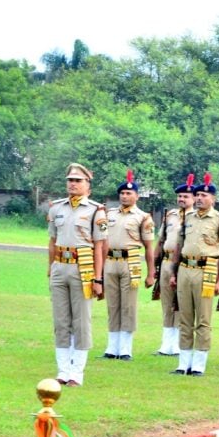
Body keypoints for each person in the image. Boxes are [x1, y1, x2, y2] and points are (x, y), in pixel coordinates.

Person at [47, 163, 108, 386]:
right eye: (70, 180)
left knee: (81, 320)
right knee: (61, 320)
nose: (72, 184)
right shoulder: (56, 208)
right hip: (60, 266)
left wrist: (98, 278)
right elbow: (52, 241)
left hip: (84, 268)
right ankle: (63, 370)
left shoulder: (95, 211)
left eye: (77, 181)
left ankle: (77, 372)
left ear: (87, 186)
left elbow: (100, 247)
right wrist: (50, 269)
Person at [169, 173, 219, 376]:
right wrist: (173, 272)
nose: (199, 199)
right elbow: (179, 246)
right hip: (186, 269)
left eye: (204, 195)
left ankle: (199, 364)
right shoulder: (187, 218)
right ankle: (183, 362)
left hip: (208, 270)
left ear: (213, 198)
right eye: (197, 195)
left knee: (203, 319)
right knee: (185, 317)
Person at [102, 170, 155, 361]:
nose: (125, 196)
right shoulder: (108, 214)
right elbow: (101, 240)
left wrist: (151, 273)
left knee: (128, 305)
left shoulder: (143, 217)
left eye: (129, 193)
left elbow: (149, 247)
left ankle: (125, 348)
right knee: (113, 304)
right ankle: (111, 347)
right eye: (122, 193)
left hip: (130, 262)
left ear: (137, 196)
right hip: (110, 261)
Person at [155, 175, 195, 356]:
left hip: (185, 264)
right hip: (166, 262)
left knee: (181, 304)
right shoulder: (170, 216)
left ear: (194, 198)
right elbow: (160, 240)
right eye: (179, 196)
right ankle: (166, 344)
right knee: (166, 304)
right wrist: (155, 265)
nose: (182, 199)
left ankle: (179, 343)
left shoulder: (195, 218)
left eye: (186, 196)